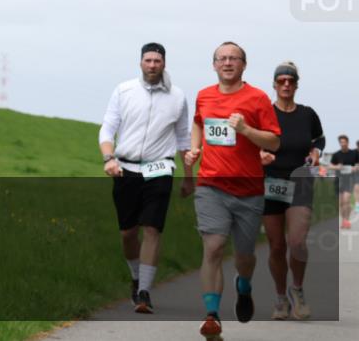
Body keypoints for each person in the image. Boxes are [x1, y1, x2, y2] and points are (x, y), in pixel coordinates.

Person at [184, 42, 280, 340]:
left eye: (233, 58)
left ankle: (245, 285)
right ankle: (212, 316)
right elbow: (199, 123)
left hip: (249, 189)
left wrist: (246, 131)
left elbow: (274, 142)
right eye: (222, 58)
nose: (227, 63)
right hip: (211, 185)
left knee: (244, 255)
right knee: (212, 248)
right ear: (214, 64)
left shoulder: (258, 98)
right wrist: (195, 148)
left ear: (244, 65)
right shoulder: (204, 95)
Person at [98, 42, 193, 314]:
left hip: (160, 168)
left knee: (152, 228)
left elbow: (184, 137)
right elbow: (107, 129)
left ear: (164, 64)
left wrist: (188, 177)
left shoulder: (177, 96)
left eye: (157, 61)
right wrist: (109, 159)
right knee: (128, 233)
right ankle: (136, 277)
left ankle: (144, 292)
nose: (152, 65)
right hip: (125, 168)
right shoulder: (124, 91)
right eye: (148, 60)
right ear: (140, 62)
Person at [259, 61, 325, 320]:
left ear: (297, 84)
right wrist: (260, 151)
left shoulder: (307, 113)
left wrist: (316, 151)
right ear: (274, 84)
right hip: (271, 182)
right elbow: (253, 139)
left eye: (291, 80)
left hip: (300, 181)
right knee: (276, 246)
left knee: (296, 242)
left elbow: (318, 138)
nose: (286, 84)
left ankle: (297, 289)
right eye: (281, 80)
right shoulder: (264, 113)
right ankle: (280, 298)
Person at [330, 134, 358, 229]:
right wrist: (336, 167)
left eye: (344, 142)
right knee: (341, 203)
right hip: (339, 180)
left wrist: (355, 168)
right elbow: (330, 166)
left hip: (349, 179)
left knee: (346, 200)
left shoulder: (354, 153)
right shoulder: (336, 155)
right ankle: (343, 221)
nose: (342, 144)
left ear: (347, 142)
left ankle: (346, 220)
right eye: (341, 142)